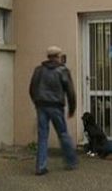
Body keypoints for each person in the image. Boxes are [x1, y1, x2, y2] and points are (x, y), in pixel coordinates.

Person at [29, 46, 78, 175]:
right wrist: (72, 108)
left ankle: (41, 166)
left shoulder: (39, 70)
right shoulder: (63, 70)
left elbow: (32, 88)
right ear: (57, 56)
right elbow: (70, 91)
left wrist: (36, 101)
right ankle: (71, 161)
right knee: (62, 133)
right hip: (56, 106)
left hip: (41, 105)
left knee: (43, 136)